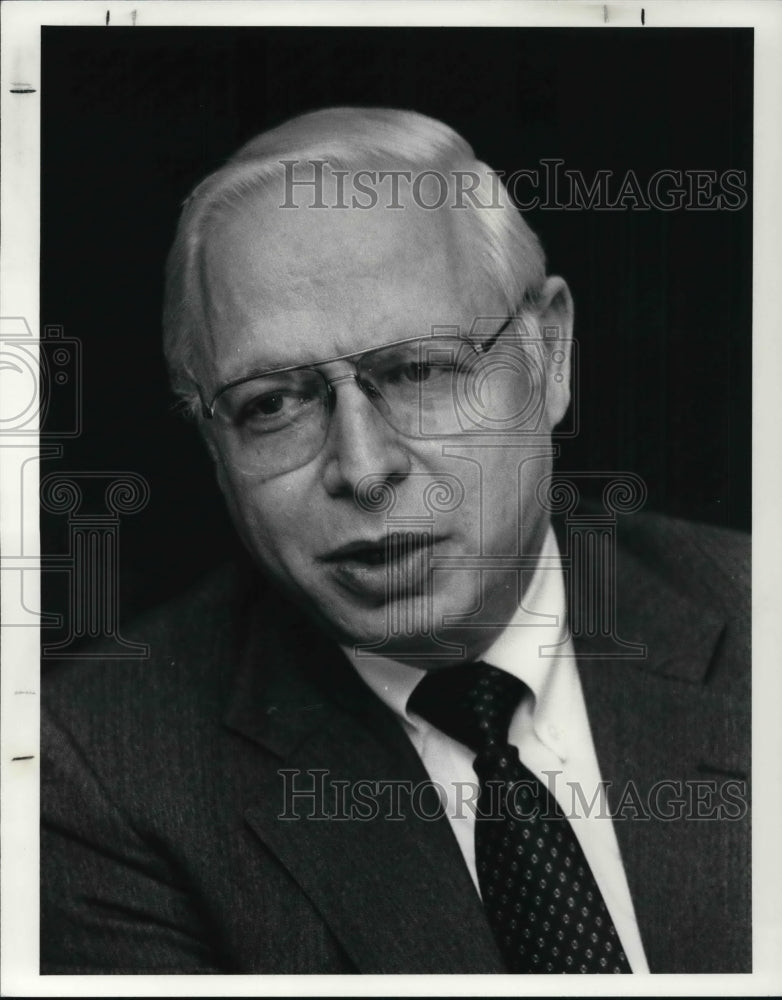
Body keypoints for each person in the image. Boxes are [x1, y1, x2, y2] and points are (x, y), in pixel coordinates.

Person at [41, 107, 750, 975]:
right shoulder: (96, 772)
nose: (363, 467)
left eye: (419, 370)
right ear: (213, 446)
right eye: (272, 404)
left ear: (549, 355)